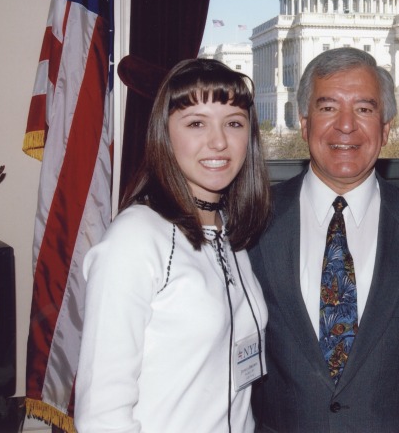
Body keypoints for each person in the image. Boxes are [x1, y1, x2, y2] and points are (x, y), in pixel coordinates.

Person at [249, 47, 399, 432]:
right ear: (304, 123)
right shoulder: (252, 222)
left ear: (387, 128)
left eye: (364, 109)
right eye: (328, 108)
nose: (346, 126)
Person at [75, 58, 271, 433]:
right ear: (164, 133)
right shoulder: (135, 239)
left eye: (234, 123)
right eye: (196, 123)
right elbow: (101, 417)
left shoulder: (229, 231)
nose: (219, 141)